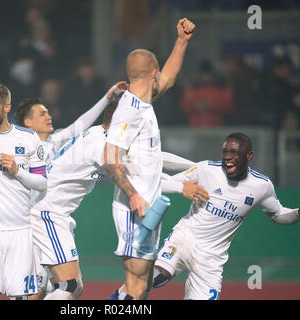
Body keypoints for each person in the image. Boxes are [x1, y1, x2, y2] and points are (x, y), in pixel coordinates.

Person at [152, 132, 300, 300]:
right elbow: (163, 183)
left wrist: (299, 214)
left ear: (249, 156)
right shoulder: (206, 169)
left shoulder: (261, 186)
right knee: (155, 277)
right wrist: (179, 187)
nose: (228, 157)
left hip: (211, 259)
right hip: (185, 239)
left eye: (234, 153)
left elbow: (278, 214)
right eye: (225, 152)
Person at [103, 18, 198, 300]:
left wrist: (181, 42)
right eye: (159, 73)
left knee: (142, 284)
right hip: (136, 209)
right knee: (136, 283)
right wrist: (132, 195)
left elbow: (169, 79)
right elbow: (110, 159)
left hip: (148, 207)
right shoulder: (128, 111)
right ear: (152, 72)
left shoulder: (143, 102)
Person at [14, 81, 128, 299]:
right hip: (32, 219)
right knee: (40, 288)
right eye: (41, 113)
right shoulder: (23, 148)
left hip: (45, 218)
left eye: (48, 112)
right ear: (27, 122)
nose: (48, 116)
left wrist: (107, 97)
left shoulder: (56, 143)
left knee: (40, 288)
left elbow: (80, 125)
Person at [0, 82, 47, 300]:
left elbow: (42, 182)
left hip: (20, 230)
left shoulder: (28, 137)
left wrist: (17, 171)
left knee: (21, 297)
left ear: (6, 108)